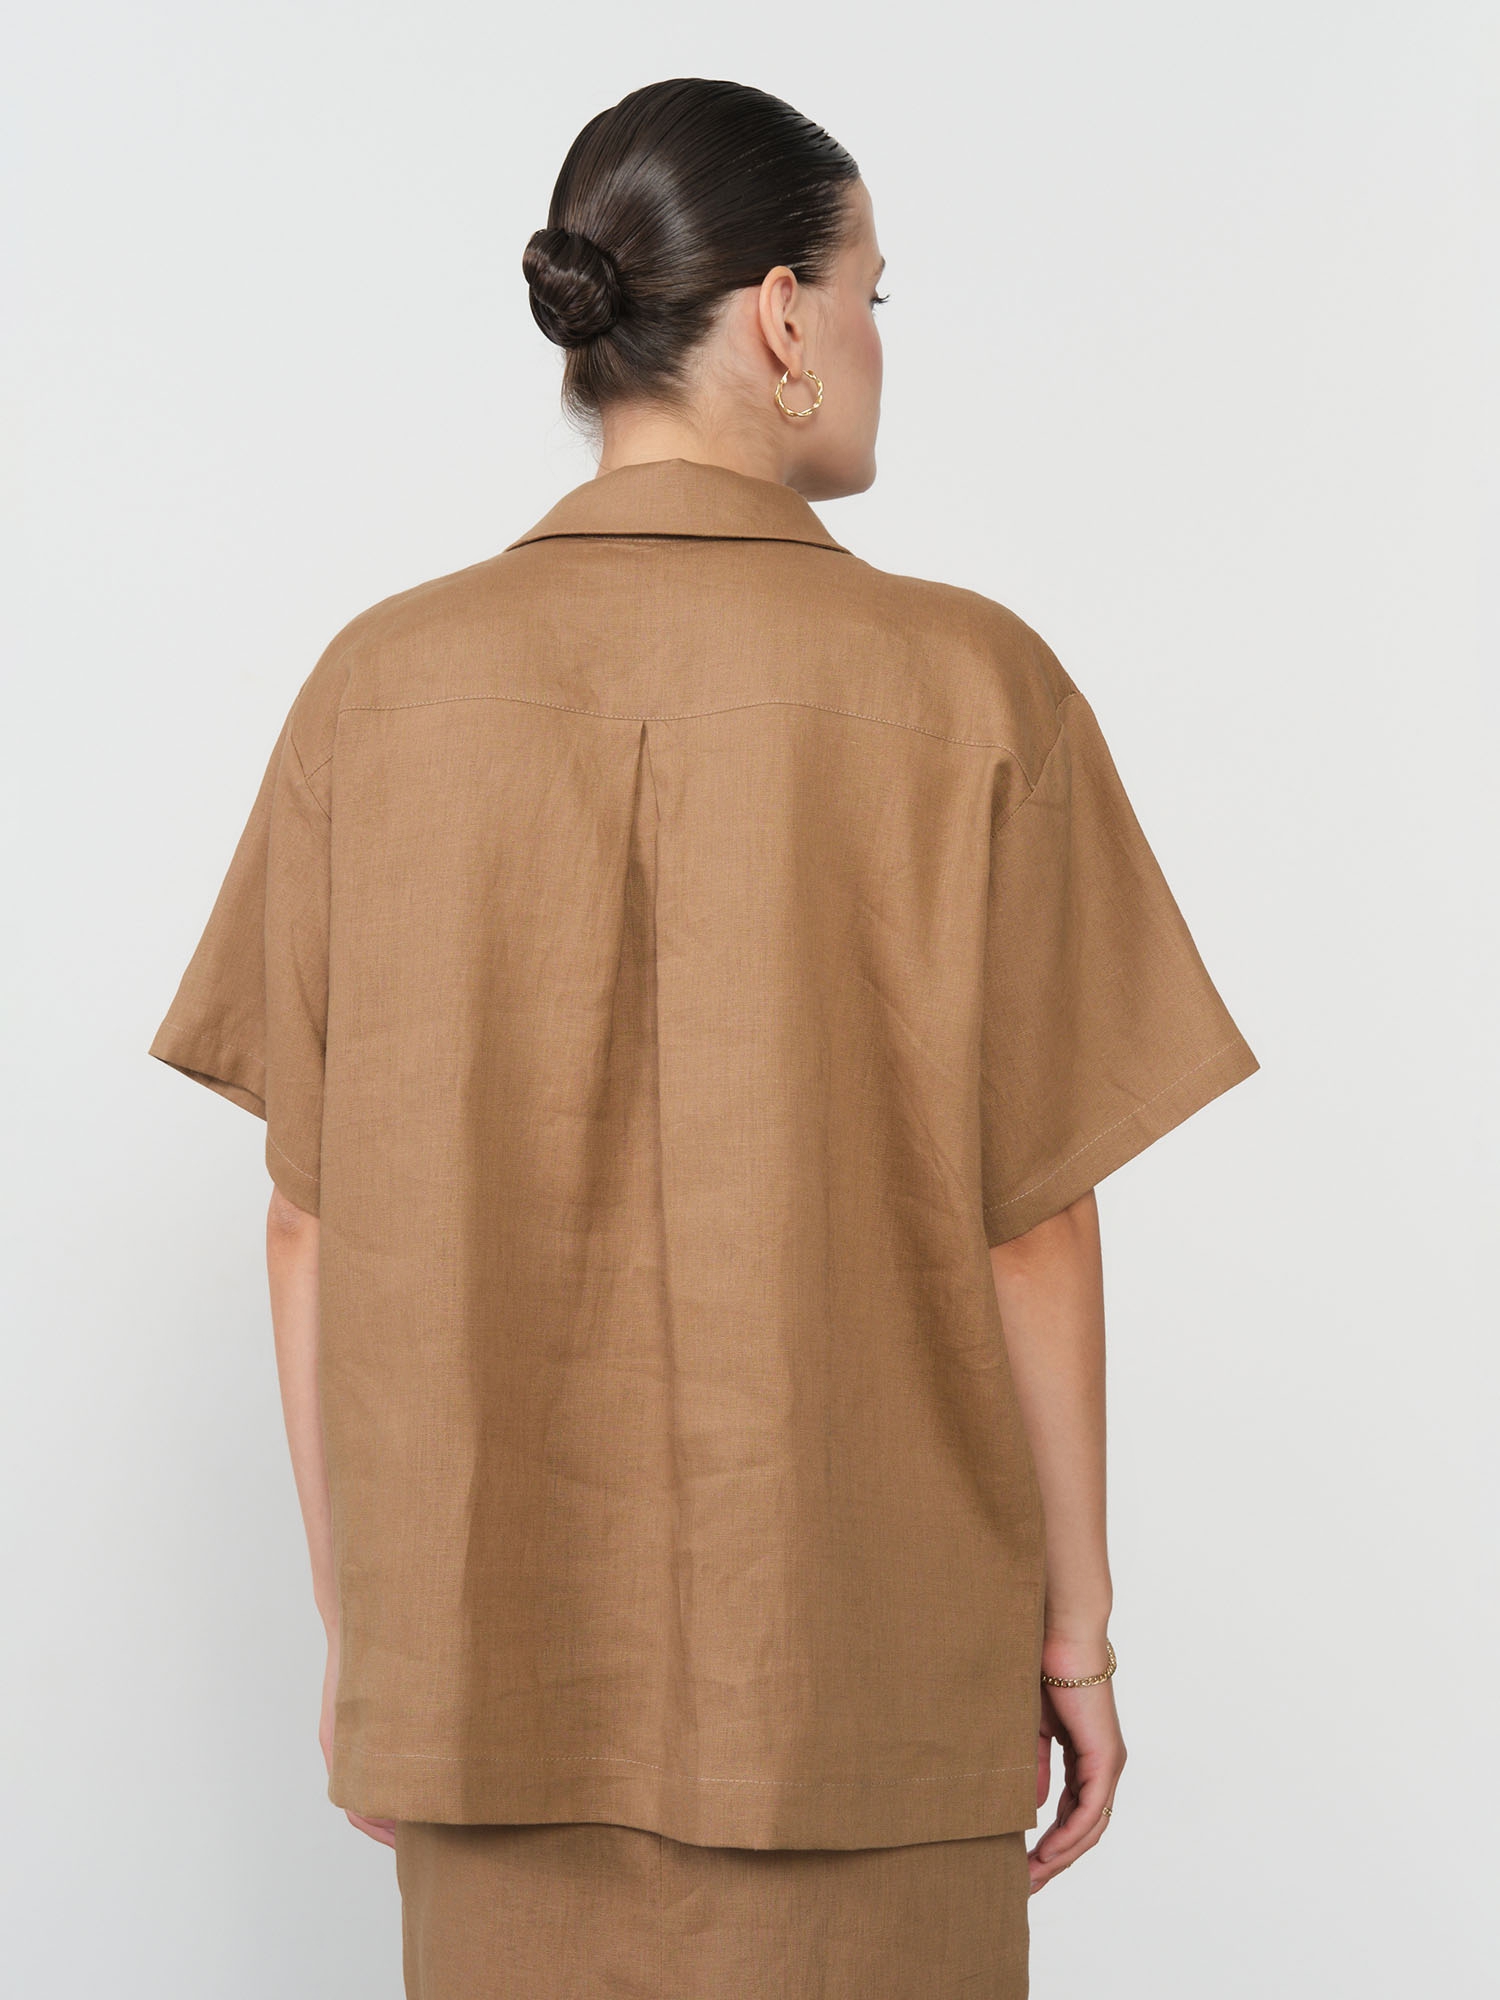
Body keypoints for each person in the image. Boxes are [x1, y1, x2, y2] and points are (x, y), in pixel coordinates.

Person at [147, 76, 1259, 2000]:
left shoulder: (378, 692)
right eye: (875, 295)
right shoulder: (973, 687)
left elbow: (308, 1222)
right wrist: (1075, 1636)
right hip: (871, 1695)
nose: (878, 342)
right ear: (781, 315)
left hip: (489, 1699)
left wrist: (369, 1641)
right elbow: (1032, 1223)